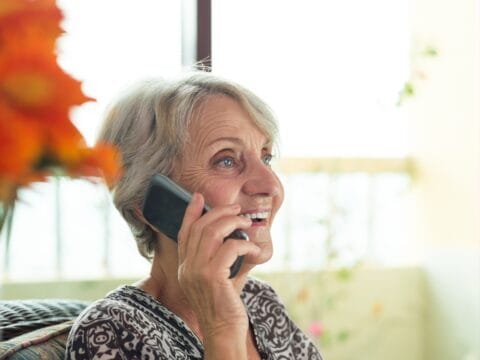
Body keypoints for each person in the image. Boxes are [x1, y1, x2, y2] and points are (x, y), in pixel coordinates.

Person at [66, 72, 323, 359]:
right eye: (226, 160)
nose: (271, 186)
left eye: (265, 157)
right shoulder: (111, 331)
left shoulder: (260, 301)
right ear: (150, 202)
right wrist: (223, 327)